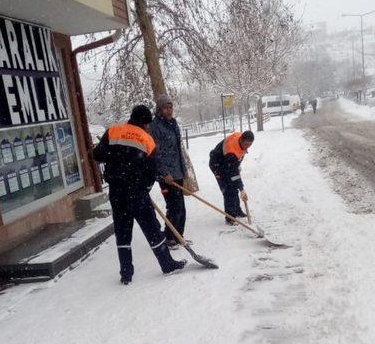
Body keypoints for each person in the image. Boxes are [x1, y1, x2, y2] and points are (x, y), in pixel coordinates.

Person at [93, 105, 186, 284]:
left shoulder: (112, 131)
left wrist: (117, 160)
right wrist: (145, 187)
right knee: (152, 229)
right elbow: (153, 169)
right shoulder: (147, 139)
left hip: (116, 191)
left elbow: (98, 155)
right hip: (137, 192)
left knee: (122, 231)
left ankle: (126, 273)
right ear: (145, 123)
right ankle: (167, 264)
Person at [150, 94, 186, 248]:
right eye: (166, 107)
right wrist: (164, 174)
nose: (169, 110)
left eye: (170, 107)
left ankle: (178, 237)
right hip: (166, 176)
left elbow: (177, 149)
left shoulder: (173, 123)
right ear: (159, 109)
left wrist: (183, 170)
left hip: (177, 171)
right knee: (174, 206)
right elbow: (155, 153)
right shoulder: (154, 126)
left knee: (181, 208)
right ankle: (170, 237)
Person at [209, 130, 254, 223]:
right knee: (228, 190)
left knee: (234, 187)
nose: (247, 147)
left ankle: (237, 211)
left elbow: (238, 157)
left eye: (249, 145)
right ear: (241, 140)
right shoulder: (231, 150)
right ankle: (230, 217)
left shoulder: (240, 139)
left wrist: (237, 164)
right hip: (217, 165)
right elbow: (233, 174)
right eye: (246, 144)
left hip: (227, 161)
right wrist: (242, 189)